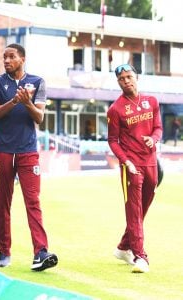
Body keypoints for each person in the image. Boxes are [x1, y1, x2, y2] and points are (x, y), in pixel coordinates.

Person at [0, 43, 58, 271]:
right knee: (3, 201)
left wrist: (27, 102)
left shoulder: (38, 82)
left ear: (22, 59)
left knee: (33, 201)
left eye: (11, 57)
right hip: (5, 150)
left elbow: (39, 118)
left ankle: (41, 252)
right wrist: (14, 101)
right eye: (4, 57)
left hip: (28, 151)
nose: (6, 61)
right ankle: (4, 251)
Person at [107, 64, 162, 273]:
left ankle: (123, 247)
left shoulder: (152, 101)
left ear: (137, 77)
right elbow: (112, 140)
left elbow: (158, 127)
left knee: (143, 208)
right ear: (118, 82)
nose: (126, 81)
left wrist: (154, 139)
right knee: (134, 210)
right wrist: (125, 161)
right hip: (131, 165)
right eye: (121, 79)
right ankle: (141, 257)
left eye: (129, 76)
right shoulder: (116, 109)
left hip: (151, 162)